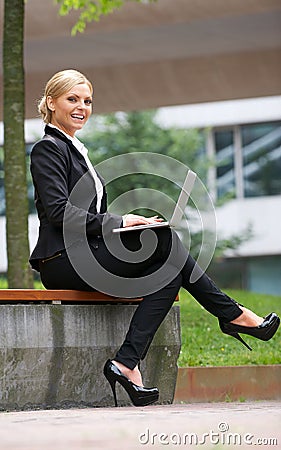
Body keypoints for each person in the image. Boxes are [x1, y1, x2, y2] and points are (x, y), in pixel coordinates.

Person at [29, 69, 280, 407]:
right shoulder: (48, 148)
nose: (82, 107)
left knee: (168, 267)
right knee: (164, 242)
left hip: (86, 253)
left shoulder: (74, 149)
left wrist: (126, 227)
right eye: (72, 99)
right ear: (51, 103)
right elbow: (58, 213)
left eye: (87, 101)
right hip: (61, 260)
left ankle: (126, 364)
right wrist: (120, 221)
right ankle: (231, 314)